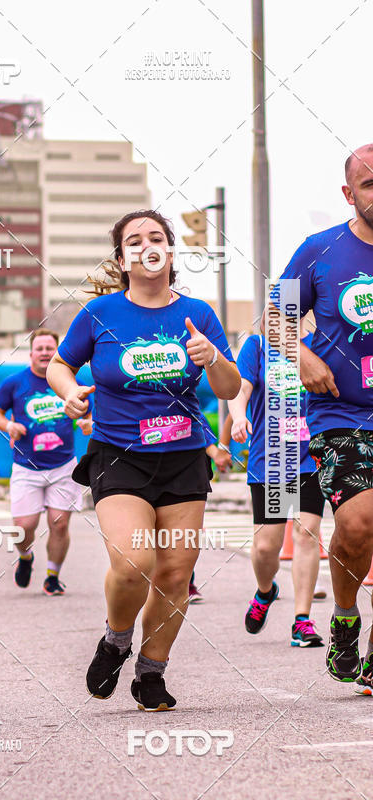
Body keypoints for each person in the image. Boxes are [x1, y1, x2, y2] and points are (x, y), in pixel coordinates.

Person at [47, 209, 240, 711]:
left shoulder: (198, 313)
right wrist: (69, 392)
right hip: (120, 456)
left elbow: (230, 387)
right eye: (135, 240)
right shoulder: (100, 314)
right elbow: (59, 364)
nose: (147, 245)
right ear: (122, 257)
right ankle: (115, 639)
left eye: (157, 237)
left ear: (170, 252)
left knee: (176, 573)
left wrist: (212, 357)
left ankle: (151, 672)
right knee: (134, 560)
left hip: (183, 458)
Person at [261, 143, 373, 692]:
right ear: (349, 194)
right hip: (343, 413)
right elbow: (273, 316)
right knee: (357, 522)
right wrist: (300, 354)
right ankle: (347, 617)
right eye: (369, 184)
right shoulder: (319, 250)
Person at [229, 320, 326, 647]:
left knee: (306, 532)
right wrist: (240, 415)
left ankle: (302, 620)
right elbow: (240, 388)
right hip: (271, 459)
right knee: (267, 547)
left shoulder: (318, 342)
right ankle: (266, 591)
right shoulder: (257, 347)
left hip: (309, 455)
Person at [0, 328, 93, 596]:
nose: (45, 353)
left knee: (59, 523)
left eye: (50, 348)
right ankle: (25, 558)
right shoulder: (15, 383)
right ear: (31, 353)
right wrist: (8, 425)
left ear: (56, 352)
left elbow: (91, 411)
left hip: (63, 466)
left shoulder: (69, 382)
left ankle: (52, 576)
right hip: (26, 467)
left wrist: (87, 422)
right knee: (24, 527)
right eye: (40, 348)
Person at [188, 412, 232, 604]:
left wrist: (217, 454)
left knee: (184, 535)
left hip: (185, 470)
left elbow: (200, 427)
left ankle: (186, 582)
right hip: (140, 469)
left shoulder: (183, 398)